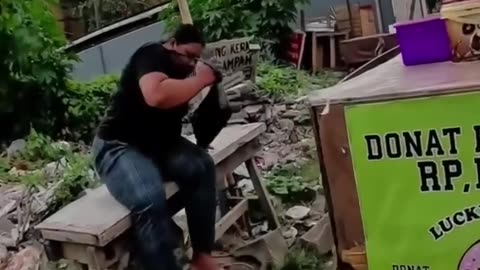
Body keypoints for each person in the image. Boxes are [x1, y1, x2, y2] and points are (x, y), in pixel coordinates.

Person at [92, 24, 220, 270]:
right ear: (172, 44)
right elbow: (156, 95)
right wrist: (202, 80)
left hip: (158, 144)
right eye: (189, 56)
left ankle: (202, 256)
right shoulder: (151, 54)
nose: (192, 64)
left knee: (203, 166)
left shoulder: (186, 72)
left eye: (197, 59)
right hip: (119, 146)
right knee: (149, 199)